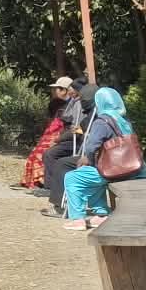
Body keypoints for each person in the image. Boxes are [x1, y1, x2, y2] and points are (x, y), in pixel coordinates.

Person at [62, 87, 146, 230]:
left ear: (99, 102)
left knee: (72, 177)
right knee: (94, 177)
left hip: (115, 171)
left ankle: (77, 219)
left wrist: (88, 160)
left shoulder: (102, 121)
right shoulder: (125, 120)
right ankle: (101, 215)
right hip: (134, 170)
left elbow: (91, 147)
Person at [41, 77, 93, 215]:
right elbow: (81, 127)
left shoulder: (85, 107)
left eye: (72, 88)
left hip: (83, 145)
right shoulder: (78, 104)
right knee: (51, 155)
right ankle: (53, 190)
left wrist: (59, 139)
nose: (70, 91)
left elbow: (81, 130)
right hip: (80, 142)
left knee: (58, 161)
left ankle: (59, 203)